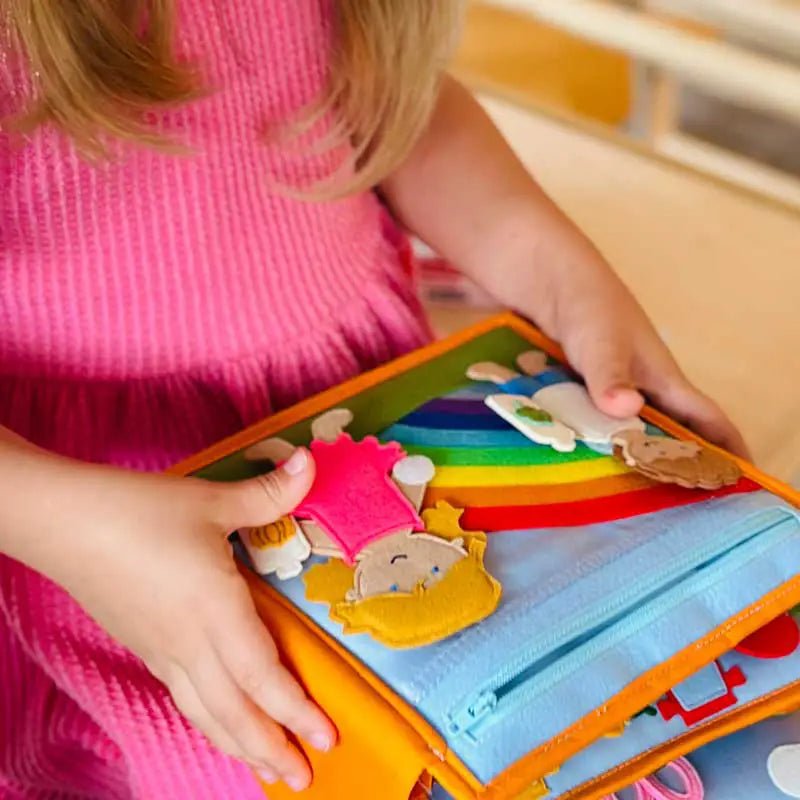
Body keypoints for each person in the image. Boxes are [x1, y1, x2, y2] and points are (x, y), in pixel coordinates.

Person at [0, 2, 747, 797]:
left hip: (376, 434)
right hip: (84, 517)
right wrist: (67, 525)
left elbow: (395, 106)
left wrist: (566, 281)